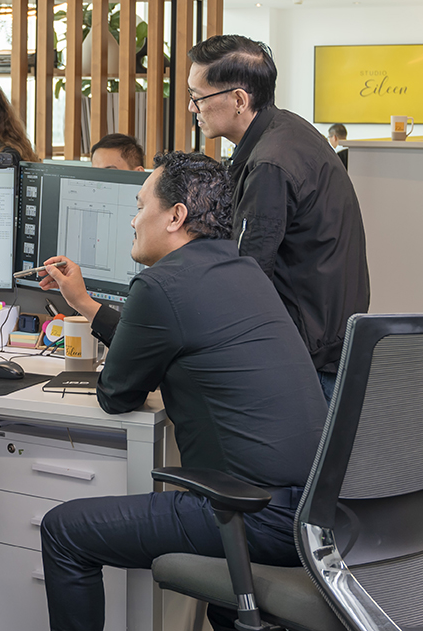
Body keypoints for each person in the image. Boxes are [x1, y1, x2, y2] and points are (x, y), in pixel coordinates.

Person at [33, 152, 327, 631]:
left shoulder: (159, 285)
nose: (133, 220)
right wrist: (84, 303)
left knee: (64, 531)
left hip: (248, 513)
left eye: (140, 206)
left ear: (175, 216)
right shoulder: (243, 269)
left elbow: (117, 394)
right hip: (313, 509)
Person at [187, 36, 369, 400]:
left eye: (198, 97)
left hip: (309, 360)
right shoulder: (287, 130)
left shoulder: (270, 164)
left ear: (239, 100)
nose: (192, 108)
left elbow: (248, 273)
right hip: (330, 342)